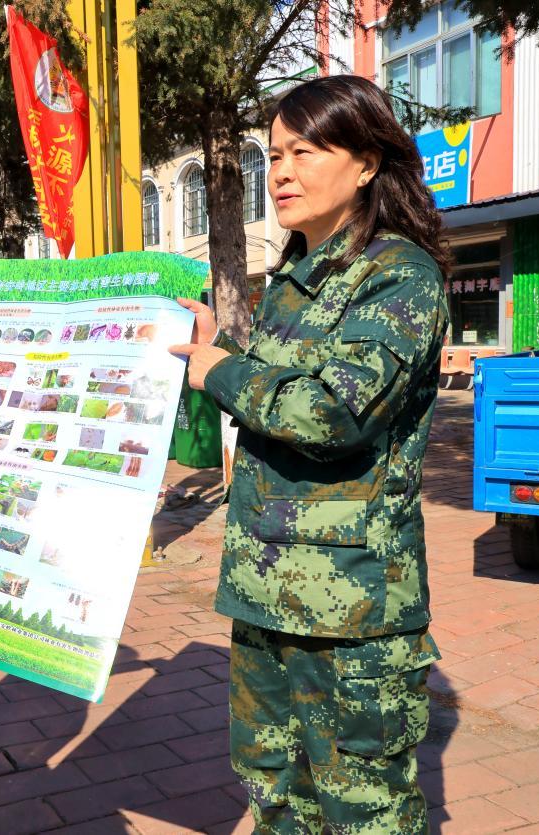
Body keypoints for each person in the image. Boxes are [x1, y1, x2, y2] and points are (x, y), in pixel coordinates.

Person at [171, 75, 450, 834]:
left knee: (363, 809)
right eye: (275, 154)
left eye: (305, 152)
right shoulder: (293, 281)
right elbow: (277, 400)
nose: (282, 173)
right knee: (275, 795)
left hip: (351, 611)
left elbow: (332, 413)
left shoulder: (399, 275)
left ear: (366, 164)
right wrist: (221, 352)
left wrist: (221, 373)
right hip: (264, 592)